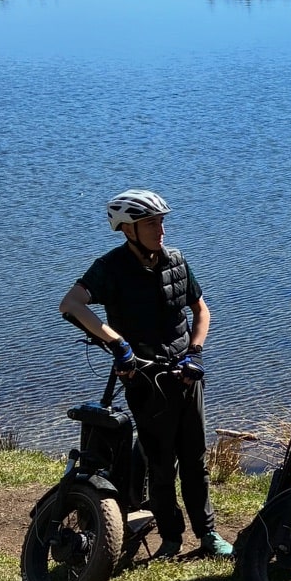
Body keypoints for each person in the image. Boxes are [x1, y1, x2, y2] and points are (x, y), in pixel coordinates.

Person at [59, 190, 233, 561]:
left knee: (194, 460)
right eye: (151, 223)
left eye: (162, 221)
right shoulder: (111, 267)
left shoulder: (177, 261)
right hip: (145, 378)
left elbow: (202, 312)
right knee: (160, 462)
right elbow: (71, 304)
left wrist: (196, 353)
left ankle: (208, 535)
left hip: (187, 373)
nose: (161, 229)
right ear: (127, 230)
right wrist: (116, 342)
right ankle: (171, 539)